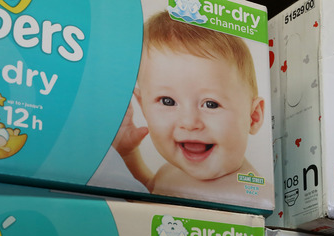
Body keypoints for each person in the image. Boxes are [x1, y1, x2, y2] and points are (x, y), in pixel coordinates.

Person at [113, 11, 266, 200]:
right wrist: (128, 154)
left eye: (210, 104)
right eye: (168, 101)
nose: (189, 122)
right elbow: (148, 195)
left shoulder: (252, 194)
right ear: (142, 105)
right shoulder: (171, 173)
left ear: (253, 117)